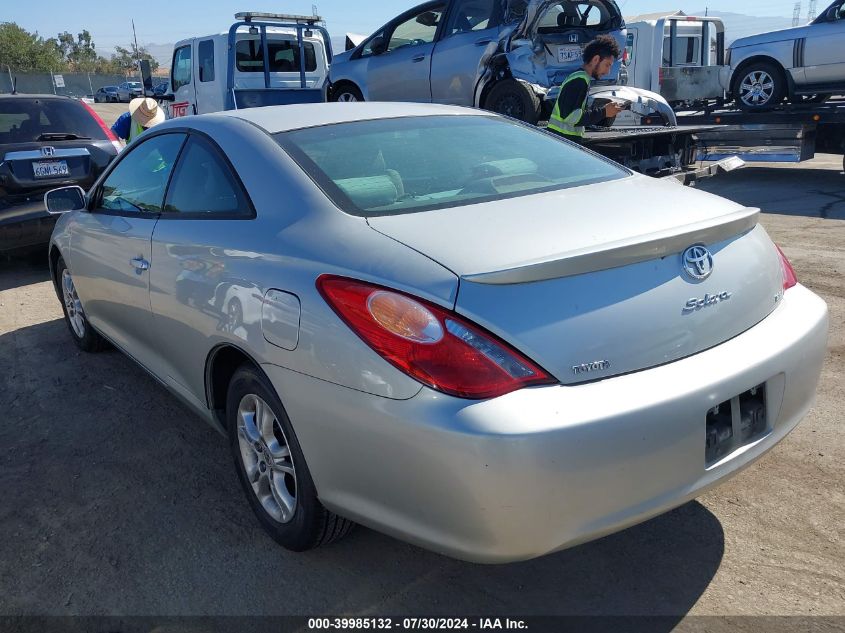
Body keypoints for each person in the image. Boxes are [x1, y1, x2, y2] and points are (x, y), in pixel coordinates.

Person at [547, 35, 624, 142]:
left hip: (561, 141)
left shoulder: (580, 78)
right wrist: (603, 112)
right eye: (607, 65)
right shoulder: (579, 81)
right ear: (596, 59)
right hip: (562, 143)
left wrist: (603, 111)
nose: (608, 72)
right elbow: (572, 117)